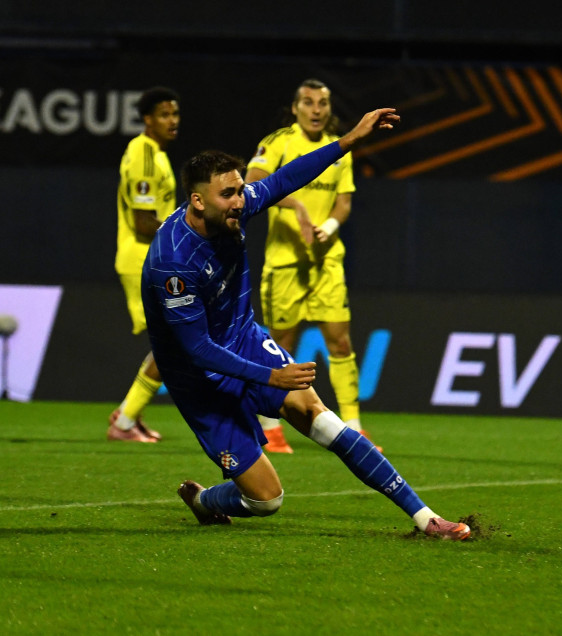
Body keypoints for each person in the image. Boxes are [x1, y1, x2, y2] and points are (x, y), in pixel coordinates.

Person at [142, 107, 470, 539]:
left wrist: (348, 140)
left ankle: (427, 519)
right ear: (199, 201)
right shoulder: (172, 263)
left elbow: (283, 179)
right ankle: (204, 501)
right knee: (266, 500)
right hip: (197, 379)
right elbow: (197, 349)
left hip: (243, 341)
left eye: (241, 190)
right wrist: (271, 375)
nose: (241, 200)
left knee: (320, 416)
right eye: (229, 194)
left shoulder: (235, 207)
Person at [244, 78, 371, 454]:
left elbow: (343, 204)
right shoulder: (279, 141)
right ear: (296, 108)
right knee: (279, 345)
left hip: (325, 262)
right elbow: (252, 183)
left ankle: (354, 426)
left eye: (323, 103)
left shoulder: (338, 149)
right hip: (284, 263)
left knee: (341, 340)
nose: (316, 109)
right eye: (308, 102)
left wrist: (326, 228)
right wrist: (296, 207)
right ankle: (269, 427)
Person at [108, 86, 181, 443]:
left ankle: (129, 416)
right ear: (148, 119)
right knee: (173, 341)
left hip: (152, 258)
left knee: (171, 341)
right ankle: (123, 421)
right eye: (165, 114)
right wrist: (186, 234)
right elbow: (143, 221)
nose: (173, 121)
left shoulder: (156, 154)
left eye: (175, 114)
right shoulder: (144, 155)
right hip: (142, 258)